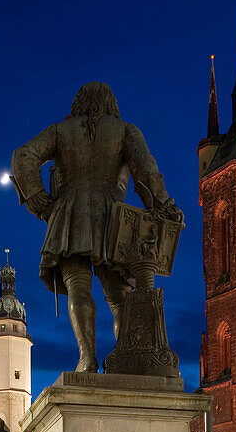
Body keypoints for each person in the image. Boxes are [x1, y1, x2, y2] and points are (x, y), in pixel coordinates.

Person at [12, 81, 182, 372]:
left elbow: (22, 156)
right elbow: (146, 171)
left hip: (69, 214)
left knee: (78, 286)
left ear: (79, 103)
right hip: (115, 220)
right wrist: (165, 206)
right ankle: (126, 360)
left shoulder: (60, 131)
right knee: (120, 298)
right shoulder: (126, 130)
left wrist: (40, 201)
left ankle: (86, 358)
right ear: (110, 103)